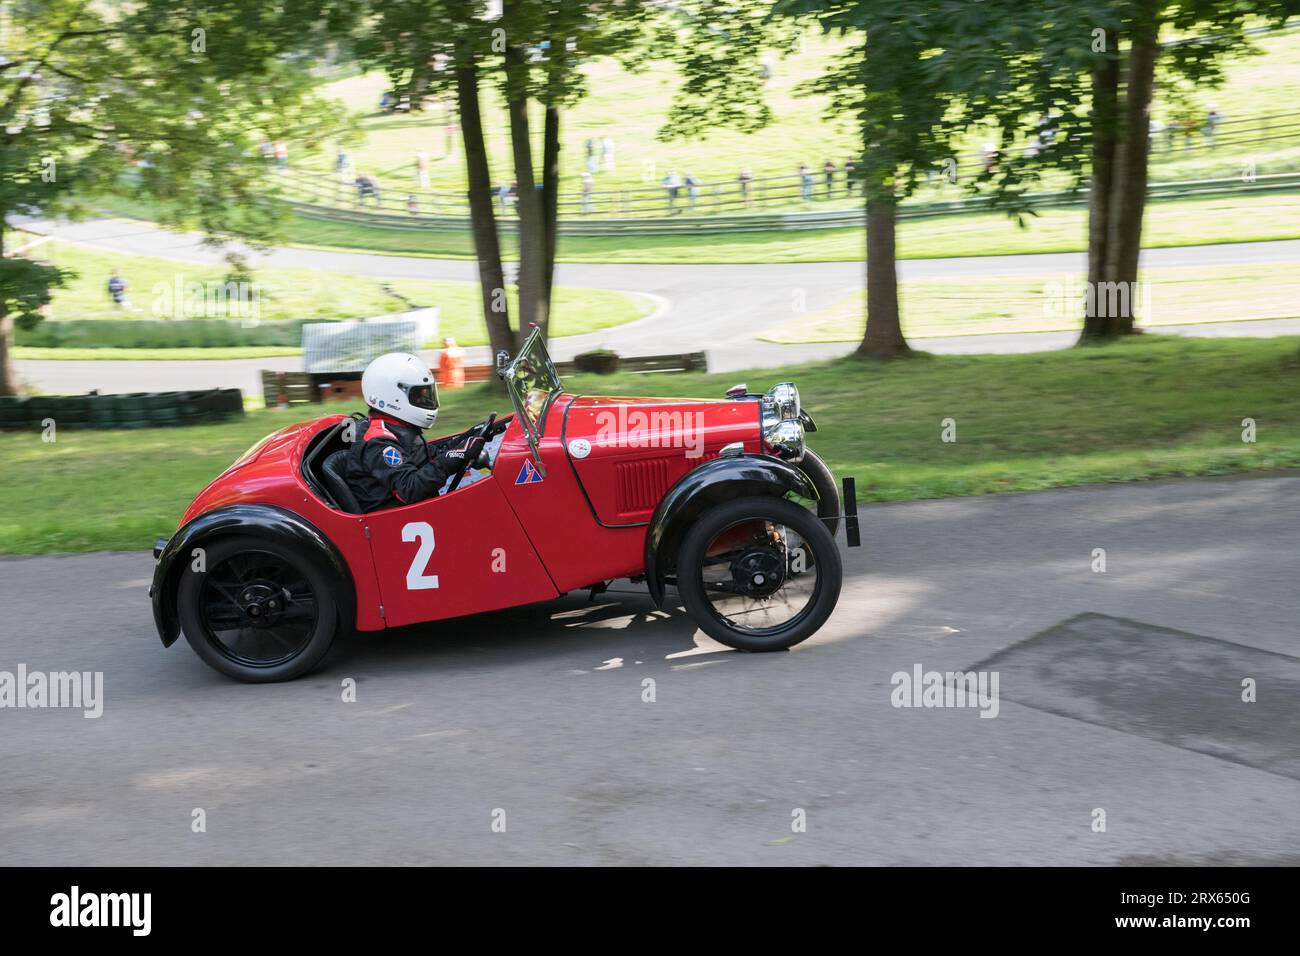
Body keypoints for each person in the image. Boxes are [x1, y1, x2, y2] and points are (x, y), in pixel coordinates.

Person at [344, 352, 484, 513]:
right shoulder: (378, 442)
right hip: (394, 523)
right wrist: (453, 457)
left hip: (416, 513)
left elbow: (428, 458)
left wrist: (463, 441)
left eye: (427, 394)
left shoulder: (400, 427)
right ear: (392, 397)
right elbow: (409, 489)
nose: (426, 401)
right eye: (419, 396)